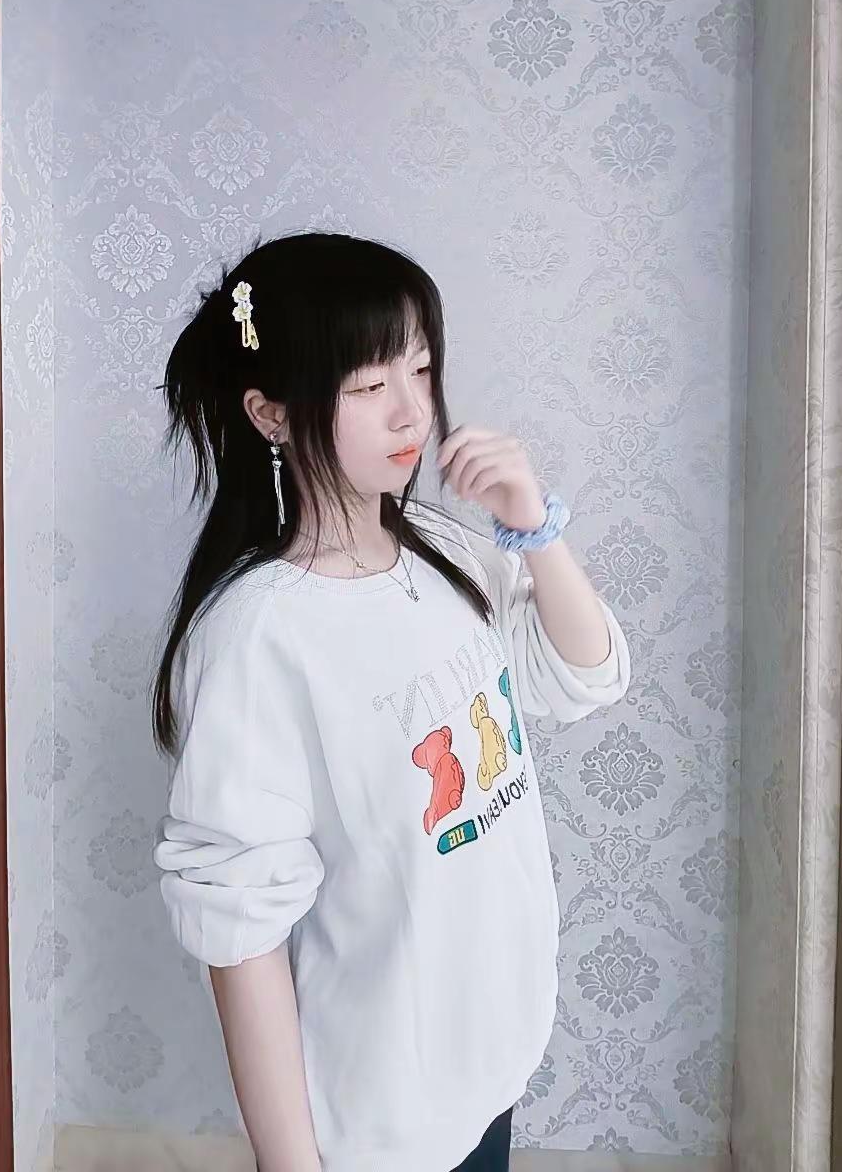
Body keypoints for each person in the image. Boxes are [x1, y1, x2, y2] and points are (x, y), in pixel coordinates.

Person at [150, 230, 632, 1172]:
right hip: (385, 1110)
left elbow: (587, 675)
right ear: (271, 413)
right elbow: (240, 936)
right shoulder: (259, 636)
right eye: (370, 384)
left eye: (419, 368)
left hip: (490, 1058)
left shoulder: (448, 551)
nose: (413, 409)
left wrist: (534, 527)